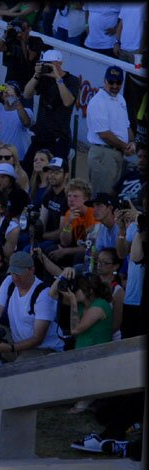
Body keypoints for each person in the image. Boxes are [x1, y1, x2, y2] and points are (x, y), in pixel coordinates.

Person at [0, 251, 64, 395]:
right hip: (18, 345)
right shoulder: (9, 281)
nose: (15, 278)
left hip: (43, 349)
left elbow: (38, 338)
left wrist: (10, 348)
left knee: (13, 384)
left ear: (31, 270)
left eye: (19, 273)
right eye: (13, 272)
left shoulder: (43, 294)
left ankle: (6, 376)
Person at [21, 49, 80, 177]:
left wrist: (58, 78)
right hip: (41, 135)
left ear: (59, 63)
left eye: (49, 63)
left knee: (56, 173)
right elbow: (26, 94)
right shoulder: (42, 78)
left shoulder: (72, 80)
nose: (46, 66)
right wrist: (36, 75)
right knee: (26, 170)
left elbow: (68, 101)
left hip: (59, 137)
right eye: (44, 63)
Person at [86, 66, 136, 196]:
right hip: (103, 153)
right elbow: (105, 135)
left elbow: (126, 127)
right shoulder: (98, 101)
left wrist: (132, 142)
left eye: (118, 82)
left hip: (117, 153)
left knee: (111, 200)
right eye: (111, 82)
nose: (114, 85)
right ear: (104, 81)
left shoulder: (121, 99)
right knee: (102, 199)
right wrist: (126, 146)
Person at [115, 187, 146, 339]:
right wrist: (121, 230)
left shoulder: (140, 222)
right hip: (132, 297)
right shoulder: (134, 225)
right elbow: (122, 253)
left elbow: (137, 257)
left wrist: (140, 219)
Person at [51, 178, 97, 267]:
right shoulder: (70, 213)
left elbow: (91, 247)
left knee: (78, 257)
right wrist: (69, 223)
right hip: (76, 246)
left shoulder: (93, 214)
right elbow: (65, 242)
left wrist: (65, 251)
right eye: (69, 196)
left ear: (86, 198)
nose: (71, 199)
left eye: (75, 196)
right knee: (50, 251)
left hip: (92, 251)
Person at [0, 81, 34, 162]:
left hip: (18, 160)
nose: (7, 92)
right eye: (4, 91)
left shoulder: (26, 111)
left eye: (11, 90)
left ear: (18, 95)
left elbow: (26, 122)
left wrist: (13, 99)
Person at [0, 17, 43, 90]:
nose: (20, 31)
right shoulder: (12, 39)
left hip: (26, 87)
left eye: (23, 28)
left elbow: (30, 57)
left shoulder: (36, 40)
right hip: (9, 84)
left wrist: (23, 40)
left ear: (29, 29)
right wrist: (7, 34)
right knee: (6, 100)